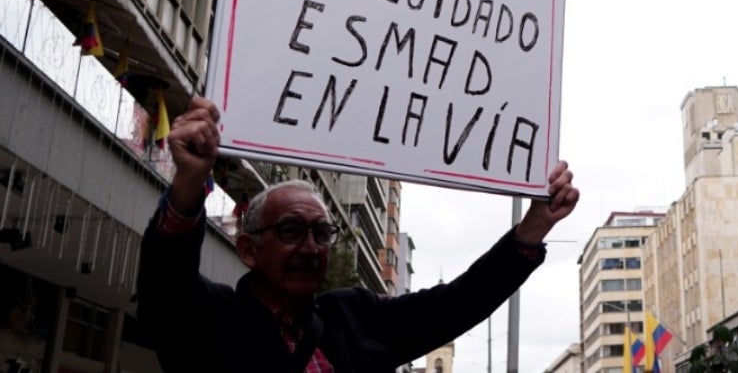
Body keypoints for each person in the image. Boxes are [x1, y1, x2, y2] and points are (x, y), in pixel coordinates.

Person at [137, 97, 578, 373]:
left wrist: (534, 228)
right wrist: (190, 183)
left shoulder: (352, 317)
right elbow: (165, 280)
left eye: (322, 232)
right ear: (248, 248)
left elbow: (456, 304)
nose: (309, 247)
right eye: (291, 230)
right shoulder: (211, 319)